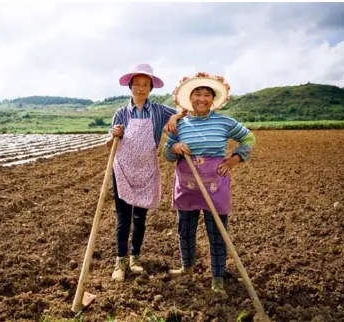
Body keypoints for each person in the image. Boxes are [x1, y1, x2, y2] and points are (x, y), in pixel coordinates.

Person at [163, 72, 256, 293]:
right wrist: (174, 148)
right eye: (197, 94)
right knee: (185, 231)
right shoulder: (180, 123)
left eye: (207, 95)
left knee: (217, 232)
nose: (202, 99)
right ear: (190, 98)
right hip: (187, 187)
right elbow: (168, 154)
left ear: (213, 100)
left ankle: (217, 276)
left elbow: (249, 138)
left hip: (215, 186)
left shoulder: (224, 122)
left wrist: (234, 160)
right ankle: (187, 267)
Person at [107, 63, 186, 282]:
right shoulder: (121, 113)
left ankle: (135, 258)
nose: (141, 88)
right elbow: (108, 140)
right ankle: (120, 261)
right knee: (123, 218)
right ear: (130, 86)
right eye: (137, 84)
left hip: (146, 170)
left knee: (140, 218)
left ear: (151, 88)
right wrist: (113, 134)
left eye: (145, 84)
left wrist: (174, 118)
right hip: (122, 168)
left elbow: (185, 113)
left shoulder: (160, 110)